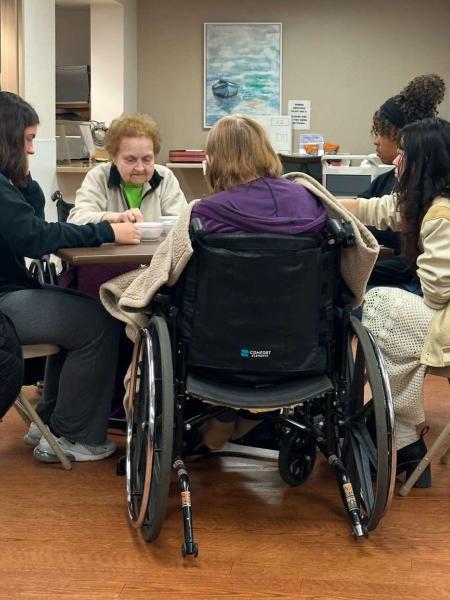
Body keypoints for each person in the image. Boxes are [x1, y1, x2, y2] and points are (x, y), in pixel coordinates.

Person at [0, 91, 141, 463]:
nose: (32, 149)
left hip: (7, 299)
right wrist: (107, 233)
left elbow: (30, 225)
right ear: (8, 138)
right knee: (98, 321)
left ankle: (48, 423)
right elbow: (37, 238)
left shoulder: (4, 184)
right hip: (4, 308)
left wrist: (24, 179)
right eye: (27, 139)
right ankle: (75, 435)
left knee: (82, 311)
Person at [340, 117, 450, 487]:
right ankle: (401, 440)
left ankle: (400, 437)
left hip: (446, 320)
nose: (396, 161)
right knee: (380, 309)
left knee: (376, 304)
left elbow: (436, 292)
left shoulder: (442, 214)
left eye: (403, 154)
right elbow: (378, 209)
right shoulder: (430, 201)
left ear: (422, 162)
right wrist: (325, 201)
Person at [360, 74, 445, 290]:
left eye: (381, 132)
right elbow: (365, 207)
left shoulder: (436, 202)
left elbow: (413, 266)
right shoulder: (385, 181)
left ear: (402, 137)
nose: (375, 140)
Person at [67, 112, 187, 226]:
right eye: (130, 160)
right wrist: (115, 218)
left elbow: (183, 224)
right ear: (114, 157)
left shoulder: (165, 178)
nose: (140, 168)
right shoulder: (99, 177)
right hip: (111, 248)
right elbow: (76, 220)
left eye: (147, 159)